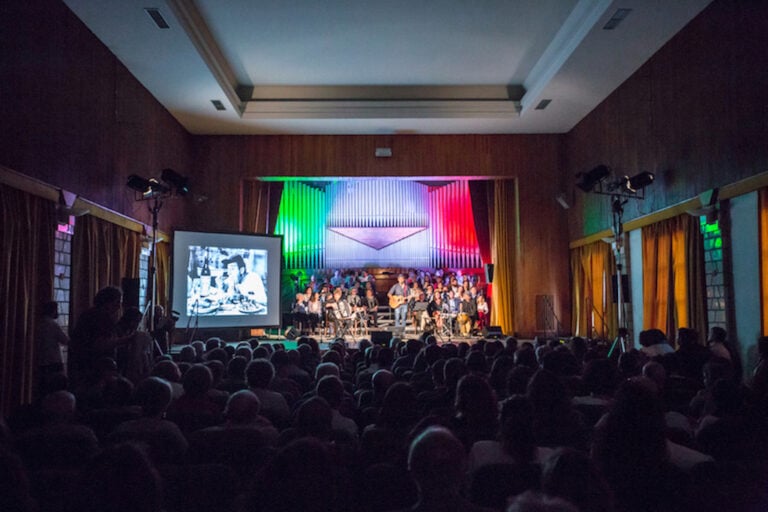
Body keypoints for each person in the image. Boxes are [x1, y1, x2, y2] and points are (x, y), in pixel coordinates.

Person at [69, 286, 135, 386]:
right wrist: (128, 339)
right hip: (92, 369)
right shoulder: (97, 317)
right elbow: (100, 344)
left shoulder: (94, 315)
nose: (119, 306)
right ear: (107, 302)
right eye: (117, 302)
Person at [35, 300, 69, 384]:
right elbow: (65, 340)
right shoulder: (53, 325)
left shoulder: (39, 324)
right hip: (54, 361)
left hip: (41, 361)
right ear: (53, 310)